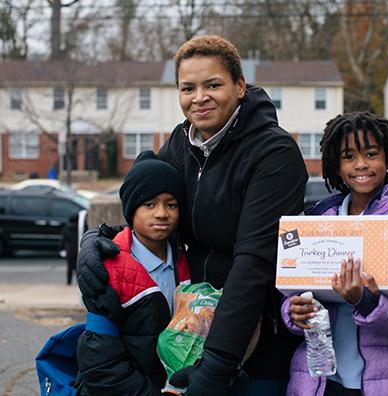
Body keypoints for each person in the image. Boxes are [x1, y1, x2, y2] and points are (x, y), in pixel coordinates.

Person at [76, 35, 308, 396]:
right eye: (188, 88)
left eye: (213, 84)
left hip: (253, 344)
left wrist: (216, 365)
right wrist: (99, 239)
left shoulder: (274, 153)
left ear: (240, 86)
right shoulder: (181, 144)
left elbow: (255, 262)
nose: (199, 97)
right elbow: (149, 203)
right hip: (187, 335)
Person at [282, 112, 388, 396]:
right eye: (349, 156)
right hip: (321, 383)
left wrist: (367, 302)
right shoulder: (319, 219)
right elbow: (295, 292)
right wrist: (294, 313)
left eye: (371, 154)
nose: (361, 165)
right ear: (336, 164)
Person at [76, 150, 190, 395]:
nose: (161, 213)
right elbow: (100, 361)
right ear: (130, 210)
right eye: (149, 204)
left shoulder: (185, 259)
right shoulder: (108, 268)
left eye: (171, 204)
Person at [60, 212, 79, 285]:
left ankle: (69, 281)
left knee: (69, 267)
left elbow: (63, 240)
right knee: (78, 267)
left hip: (70, 250)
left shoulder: (66, 228)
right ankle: (78, 281)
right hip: (78, 249)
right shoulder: (81, 227)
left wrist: (61, 249)